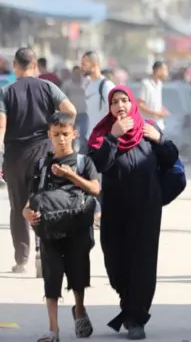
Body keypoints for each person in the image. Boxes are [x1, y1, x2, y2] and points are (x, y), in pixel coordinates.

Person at [87, 86, 179, 340]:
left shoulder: (148, 129)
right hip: (115, 209)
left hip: (146, 209)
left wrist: (159, 140)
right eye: (115, 102)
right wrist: (114, 137)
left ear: (132, 104)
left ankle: (136, 317)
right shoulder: (102, 133)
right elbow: (96, 165)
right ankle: (128, 304)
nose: (120, 106)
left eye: (125, 100)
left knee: (143, 263)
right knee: (115, 261)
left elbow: (171, 158)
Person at [23, 112, 100, 342]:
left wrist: (70, 174)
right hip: (49, 230)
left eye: (65, 134)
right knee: (51, 276)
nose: (61, 139)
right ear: (49, 135)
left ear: (74, 133)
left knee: (78, 274)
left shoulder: (83, 162)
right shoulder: (41, 164)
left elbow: (95, 189)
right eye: (56, 135)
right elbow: (31, 198)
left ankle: (79, 309)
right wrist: (26, 212)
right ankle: (53, 330)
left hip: (77, 229)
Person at [0, 47, 76, 273]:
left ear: (15, 66)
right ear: (35, 66)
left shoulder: (5, 92)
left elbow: (1, 125)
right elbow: (70, 111)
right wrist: (55, 130)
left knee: (17, 206)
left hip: (15, 157)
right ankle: (42, 255)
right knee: (42, 203)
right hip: (44, 154)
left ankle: (21, 259)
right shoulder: (48, 87)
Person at [80, 51, 115, 141]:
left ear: (94, 64)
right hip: (89, 138)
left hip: (103, 139)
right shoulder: (87, 84)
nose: (82, 67)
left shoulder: (107, 86)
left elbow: (114, 113)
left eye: (84, 64)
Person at [61, 66, 89, 152]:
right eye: (75, 73)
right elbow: (62, 98)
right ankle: (71, 152)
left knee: (83, 135)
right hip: (71, 114)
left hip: (84, 113)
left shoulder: (86, 83)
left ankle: (82, 154)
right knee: (71, 135)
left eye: (79, 73)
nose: (77, 75)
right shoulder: (67, 84)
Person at [138, 61, 170, 130]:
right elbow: (141, 105)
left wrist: (163, 110)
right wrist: (156, 113)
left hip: (159, 124)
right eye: (164, 69)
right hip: (148, 124)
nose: (166, 72)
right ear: (157, 70)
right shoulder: (145, 84)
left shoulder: (159, 84)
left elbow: (156, 102)